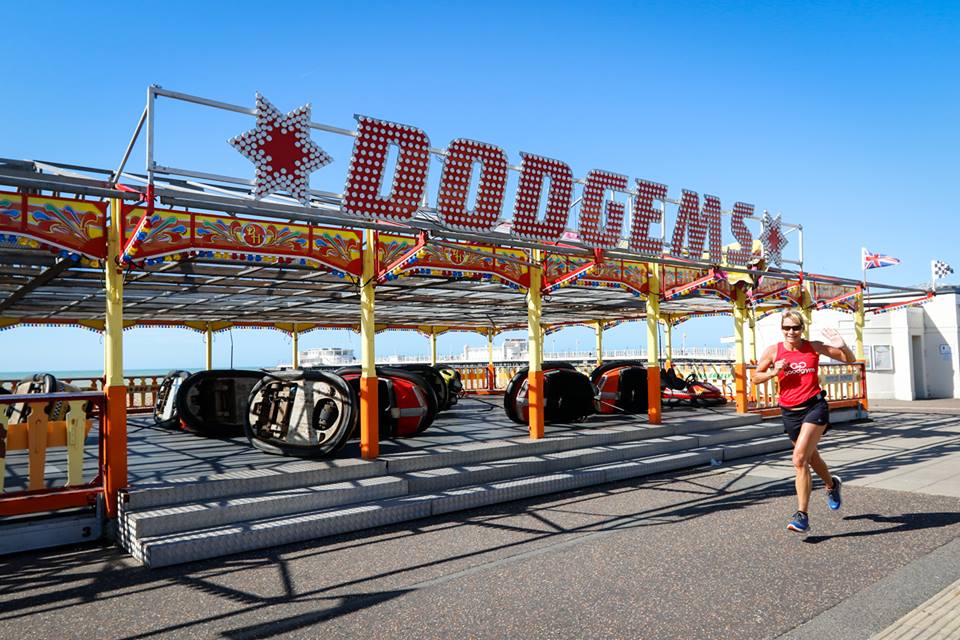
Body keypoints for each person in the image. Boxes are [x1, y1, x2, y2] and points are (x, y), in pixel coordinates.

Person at [753, 310, 855, 532]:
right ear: (782, 329)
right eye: (787, 328)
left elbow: (850, 359)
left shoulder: (814, 347)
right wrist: (773, 372)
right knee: (810, 456)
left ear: (802, 329)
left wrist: (842, 345)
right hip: (789, 412)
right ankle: (832, 484)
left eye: (796, 328)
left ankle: (802, 515)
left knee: (799, 459)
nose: (791, 332)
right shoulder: (773, 351)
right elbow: (755, 378)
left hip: (814, 407)